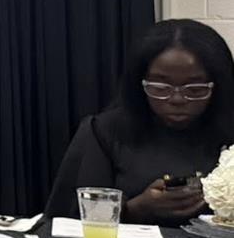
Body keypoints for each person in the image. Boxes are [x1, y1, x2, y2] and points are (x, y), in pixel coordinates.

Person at [46, 18, 234, 223]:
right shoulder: (105, 132)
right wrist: (134, 209)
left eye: (195, 90)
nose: (177, 99)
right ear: (139, 84)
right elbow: (66, 223)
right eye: (160, 88)